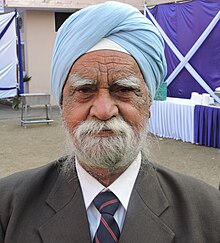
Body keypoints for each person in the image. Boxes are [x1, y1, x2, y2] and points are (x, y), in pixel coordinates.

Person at [0, 2, 219, 242]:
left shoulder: (208, 213)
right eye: (84, 90)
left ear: (148, 106)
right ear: (63, 107)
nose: (104, 111)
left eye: (124, 89)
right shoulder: (8, 207)